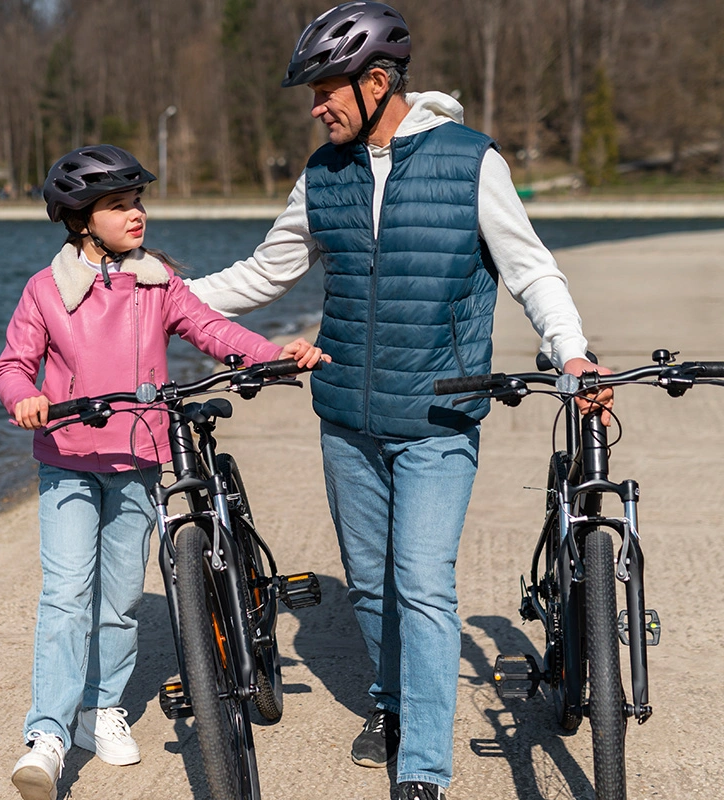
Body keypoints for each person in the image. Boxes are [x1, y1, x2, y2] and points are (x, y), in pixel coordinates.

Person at [186, 4, 612, 799]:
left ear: (377, 82)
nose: (318, 108)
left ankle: (422, 769)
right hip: (347, 419)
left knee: (421, 583)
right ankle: (390, 703)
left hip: (438, 416)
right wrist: (155, 300)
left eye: (327, 91)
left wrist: (572, 350)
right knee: (372, 584)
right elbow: (263, 273)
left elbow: (529, 269)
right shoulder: (324, 174)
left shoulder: (470, 161)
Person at [0, 144, 323, 800]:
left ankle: (102, 708)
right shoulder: (45, 290)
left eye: (138, 201)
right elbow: (12, 365)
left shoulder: (157, 283)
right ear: (81, 220)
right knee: (66, 595)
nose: (136, 213)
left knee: (119, 599)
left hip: (138, 461)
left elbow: (210, 329)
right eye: (119, 205)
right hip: (68, 464)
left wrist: (270, 355)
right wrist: (23, 396)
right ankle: (48, 735)